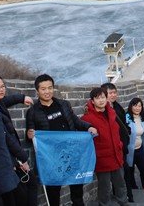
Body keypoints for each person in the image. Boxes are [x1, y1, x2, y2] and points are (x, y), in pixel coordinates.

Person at [25, 74, 97, 206]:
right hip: (51, 158)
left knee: (77, 189)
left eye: (50, 88)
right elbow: (31, 137)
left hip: (71, 152)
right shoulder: (33, 112)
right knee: (53, 192)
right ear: (37, 91)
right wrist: (30, 135)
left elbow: (75, 121)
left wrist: (89, 127)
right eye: (43, 89)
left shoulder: (63, 104)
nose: (47, 91)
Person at [0, 75, 38, 206]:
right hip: (10, 161)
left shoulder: (0, 103)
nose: (1, 89)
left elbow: (9, 99)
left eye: (2, 86)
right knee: (23, 192)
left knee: (30, 185)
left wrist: (22, 98)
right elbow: (2, 141)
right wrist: (18, 161)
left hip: (15, 157)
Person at [84, 87, 130, 206]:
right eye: (97, 98)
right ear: (92, 101)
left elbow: (118, 132)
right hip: (102, 158)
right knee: (104, 187)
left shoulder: (112, 113)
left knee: (120, 184)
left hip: (116, 154)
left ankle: (124, 202)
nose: (101, 100)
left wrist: (120, 144)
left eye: (103, 97)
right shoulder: (88, 118)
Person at [101, 83, 133, 200]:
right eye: (110, 93)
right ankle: (124, 197)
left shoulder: (117, 106)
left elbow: (123, 123)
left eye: (115, 92)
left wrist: (127, 130)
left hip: (121, 146)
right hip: (113, 147)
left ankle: (126, 196)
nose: (113, 95)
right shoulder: (103, 110)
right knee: (120, 174)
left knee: (124, 173)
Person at [124, 97, 144, 194]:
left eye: (139, 106)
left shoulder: (142, 118)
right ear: (131, 106)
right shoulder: (126, 118)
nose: (137, 108)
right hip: (130, 149)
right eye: (135, 106)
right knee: (130, 169)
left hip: (140, 148)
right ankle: (133, 186)